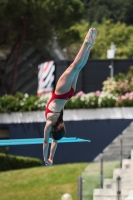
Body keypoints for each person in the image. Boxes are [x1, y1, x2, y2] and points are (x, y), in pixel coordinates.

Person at [43, 28, 97, 166]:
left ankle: (89, 45)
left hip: (68, 94)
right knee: (74, 66)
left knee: (78, 68)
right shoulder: (50, 123)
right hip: (60, 93)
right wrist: (46, 158)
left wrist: (51, 158)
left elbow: (55, 141)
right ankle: (86, 42)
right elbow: (47, 142)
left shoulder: (57, 122)